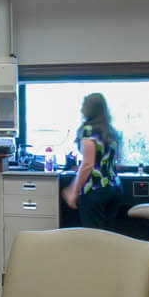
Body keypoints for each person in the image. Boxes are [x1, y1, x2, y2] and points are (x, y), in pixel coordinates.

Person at [61, 92, 125, 230]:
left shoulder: (88, 130)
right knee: (108, 236)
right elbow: (114, 161)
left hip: (95, 189)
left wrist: (73, 191)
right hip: (115, 188)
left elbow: (88, 164)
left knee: (93, 238)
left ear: (88, 109)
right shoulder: (111, 131)